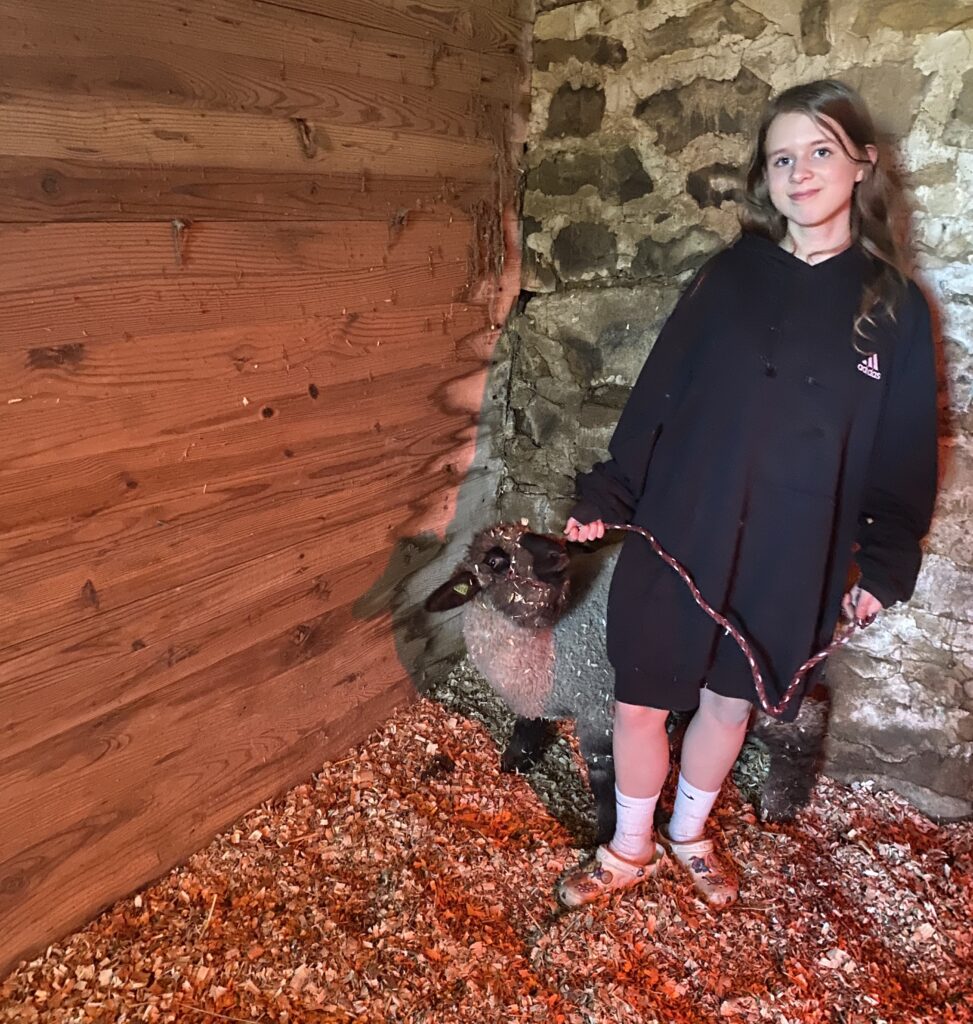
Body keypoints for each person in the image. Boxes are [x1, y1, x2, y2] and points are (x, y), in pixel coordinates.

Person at [556, 79, 939, 910]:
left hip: (791, 551)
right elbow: (657, 395)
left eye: (819, 151)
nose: (799, 173)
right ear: (764, 177)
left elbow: (903, 451)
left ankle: (687, 833)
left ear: (862, 162)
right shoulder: (727, 276)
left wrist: (882, 561)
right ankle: (627, 848)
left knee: (730, 707)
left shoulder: (894, 309)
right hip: (680, 525)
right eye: (780, 159)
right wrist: (611, 491)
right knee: (640, 700)